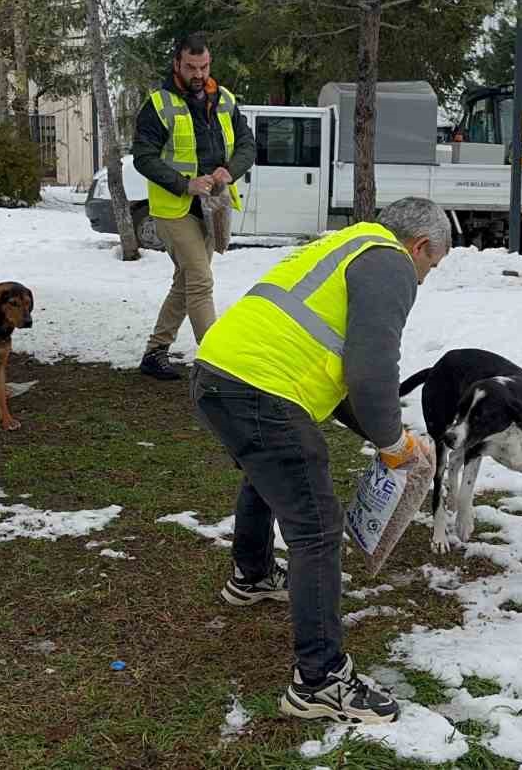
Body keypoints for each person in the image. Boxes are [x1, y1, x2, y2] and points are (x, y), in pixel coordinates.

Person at [190, 196, 452, 725]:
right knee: (315, 528)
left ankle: (253, 574)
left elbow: (335, 370)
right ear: (420, 247)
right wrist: (392, 442)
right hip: (263, 388)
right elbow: (372, 368)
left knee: (267, 475)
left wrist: (389, 435)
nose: (423, 279)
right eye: (431, 267)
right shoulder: (389, 261)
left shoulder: (344, 244)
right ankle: (321, 681)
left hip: (219, 372)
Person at [130, 32, 255, 381]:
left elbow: (247, 144)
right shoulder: (158, 104)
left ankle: (155, 352)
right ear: (177, 65)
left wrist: (228, 171)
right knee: (200, 280)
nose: (198, 73)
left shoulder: (225, 99)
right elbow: (143, 157)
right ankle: (217, 366)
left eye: (204, 66)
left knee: (186, 282)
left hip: (212, 204)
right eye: (191, 67)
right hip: (174, 206)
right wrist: (185, 183)